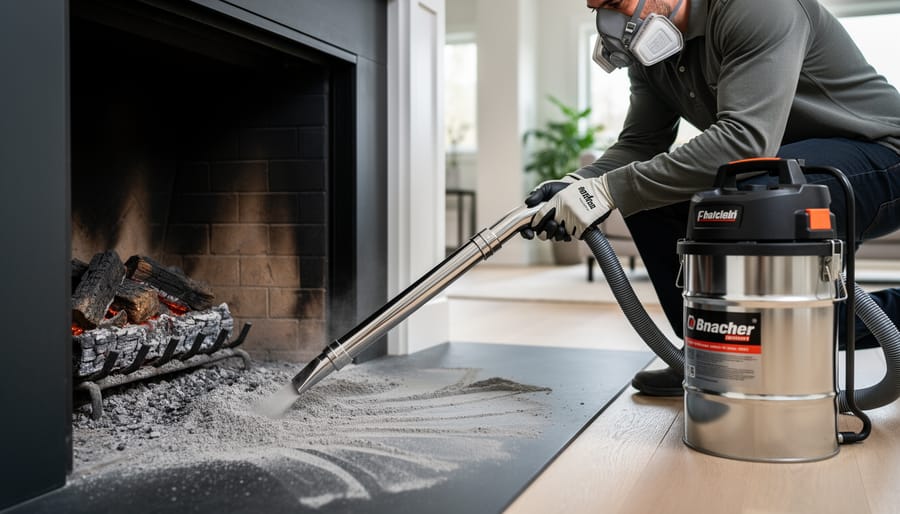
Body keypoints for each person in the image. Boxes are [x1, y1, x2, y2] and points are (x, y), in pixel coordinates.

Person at [523, 0, 900, 396]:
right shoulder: (652, 48)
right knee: (655, 199)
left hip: (881, 154)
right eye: (598, 8)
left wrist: (607, 190)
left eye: (617, 3)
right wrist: (576, 182)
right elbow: (641, 142)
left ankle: (757, 343)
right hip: (780, 170)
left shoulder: (757, 9)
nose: (611, 22)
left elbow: (744, 141)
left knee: (764, 220)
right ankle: (706, 353)